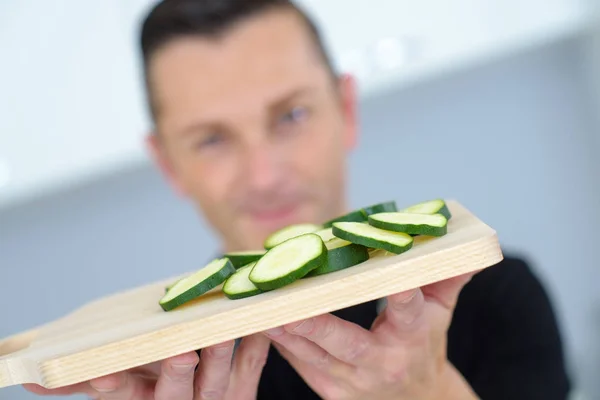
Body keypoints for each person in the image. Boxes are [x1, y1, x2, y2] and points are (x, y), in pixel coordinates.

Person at [25, 0, 572, 399]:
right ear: (169, 164)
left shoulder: (497, 299)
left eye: (291, 115)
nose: (264, 175)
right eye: (212, 139)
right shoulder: (164, 376)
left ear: (347, 111)